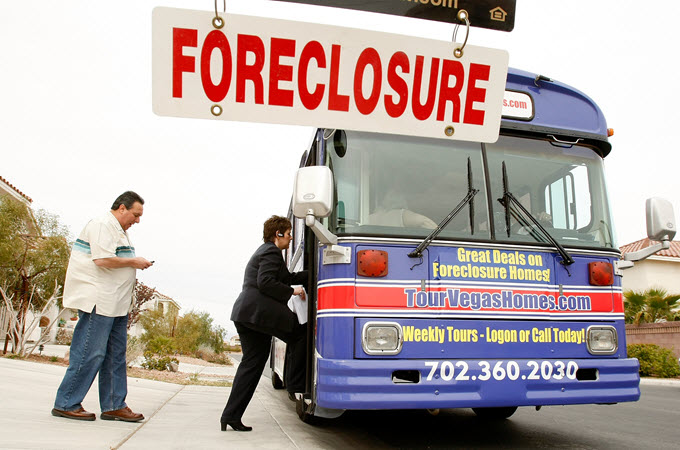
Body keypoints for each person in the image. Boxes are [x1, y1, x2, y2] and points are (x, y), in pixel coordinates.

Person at [52, 191, 153, 422]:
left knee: (115, 356)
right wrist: (134, 262)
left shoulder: (120, 232)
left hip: (117, 304)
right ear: (122, 208)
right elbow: (102, 260)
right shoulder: (101, 225)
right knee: (90, 353)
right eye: (135, 215)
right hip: (99, 301)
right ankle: (66, 402)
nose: (137, 221)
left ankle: (114, 405)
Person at [220, 215, 308, 432]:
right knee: (300, 334)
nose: (290, 239)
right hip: (258, 313)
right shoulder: (271, 251)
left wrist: (310, 275)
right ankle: (295, 386)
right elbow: (266, 282)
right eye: (288, 234)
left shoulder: (266, 252)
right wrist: (292, 291)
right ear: (278, 234)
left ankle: (230, 416)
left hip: (246, 314)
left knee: (252, 365)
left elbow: (286, 277)